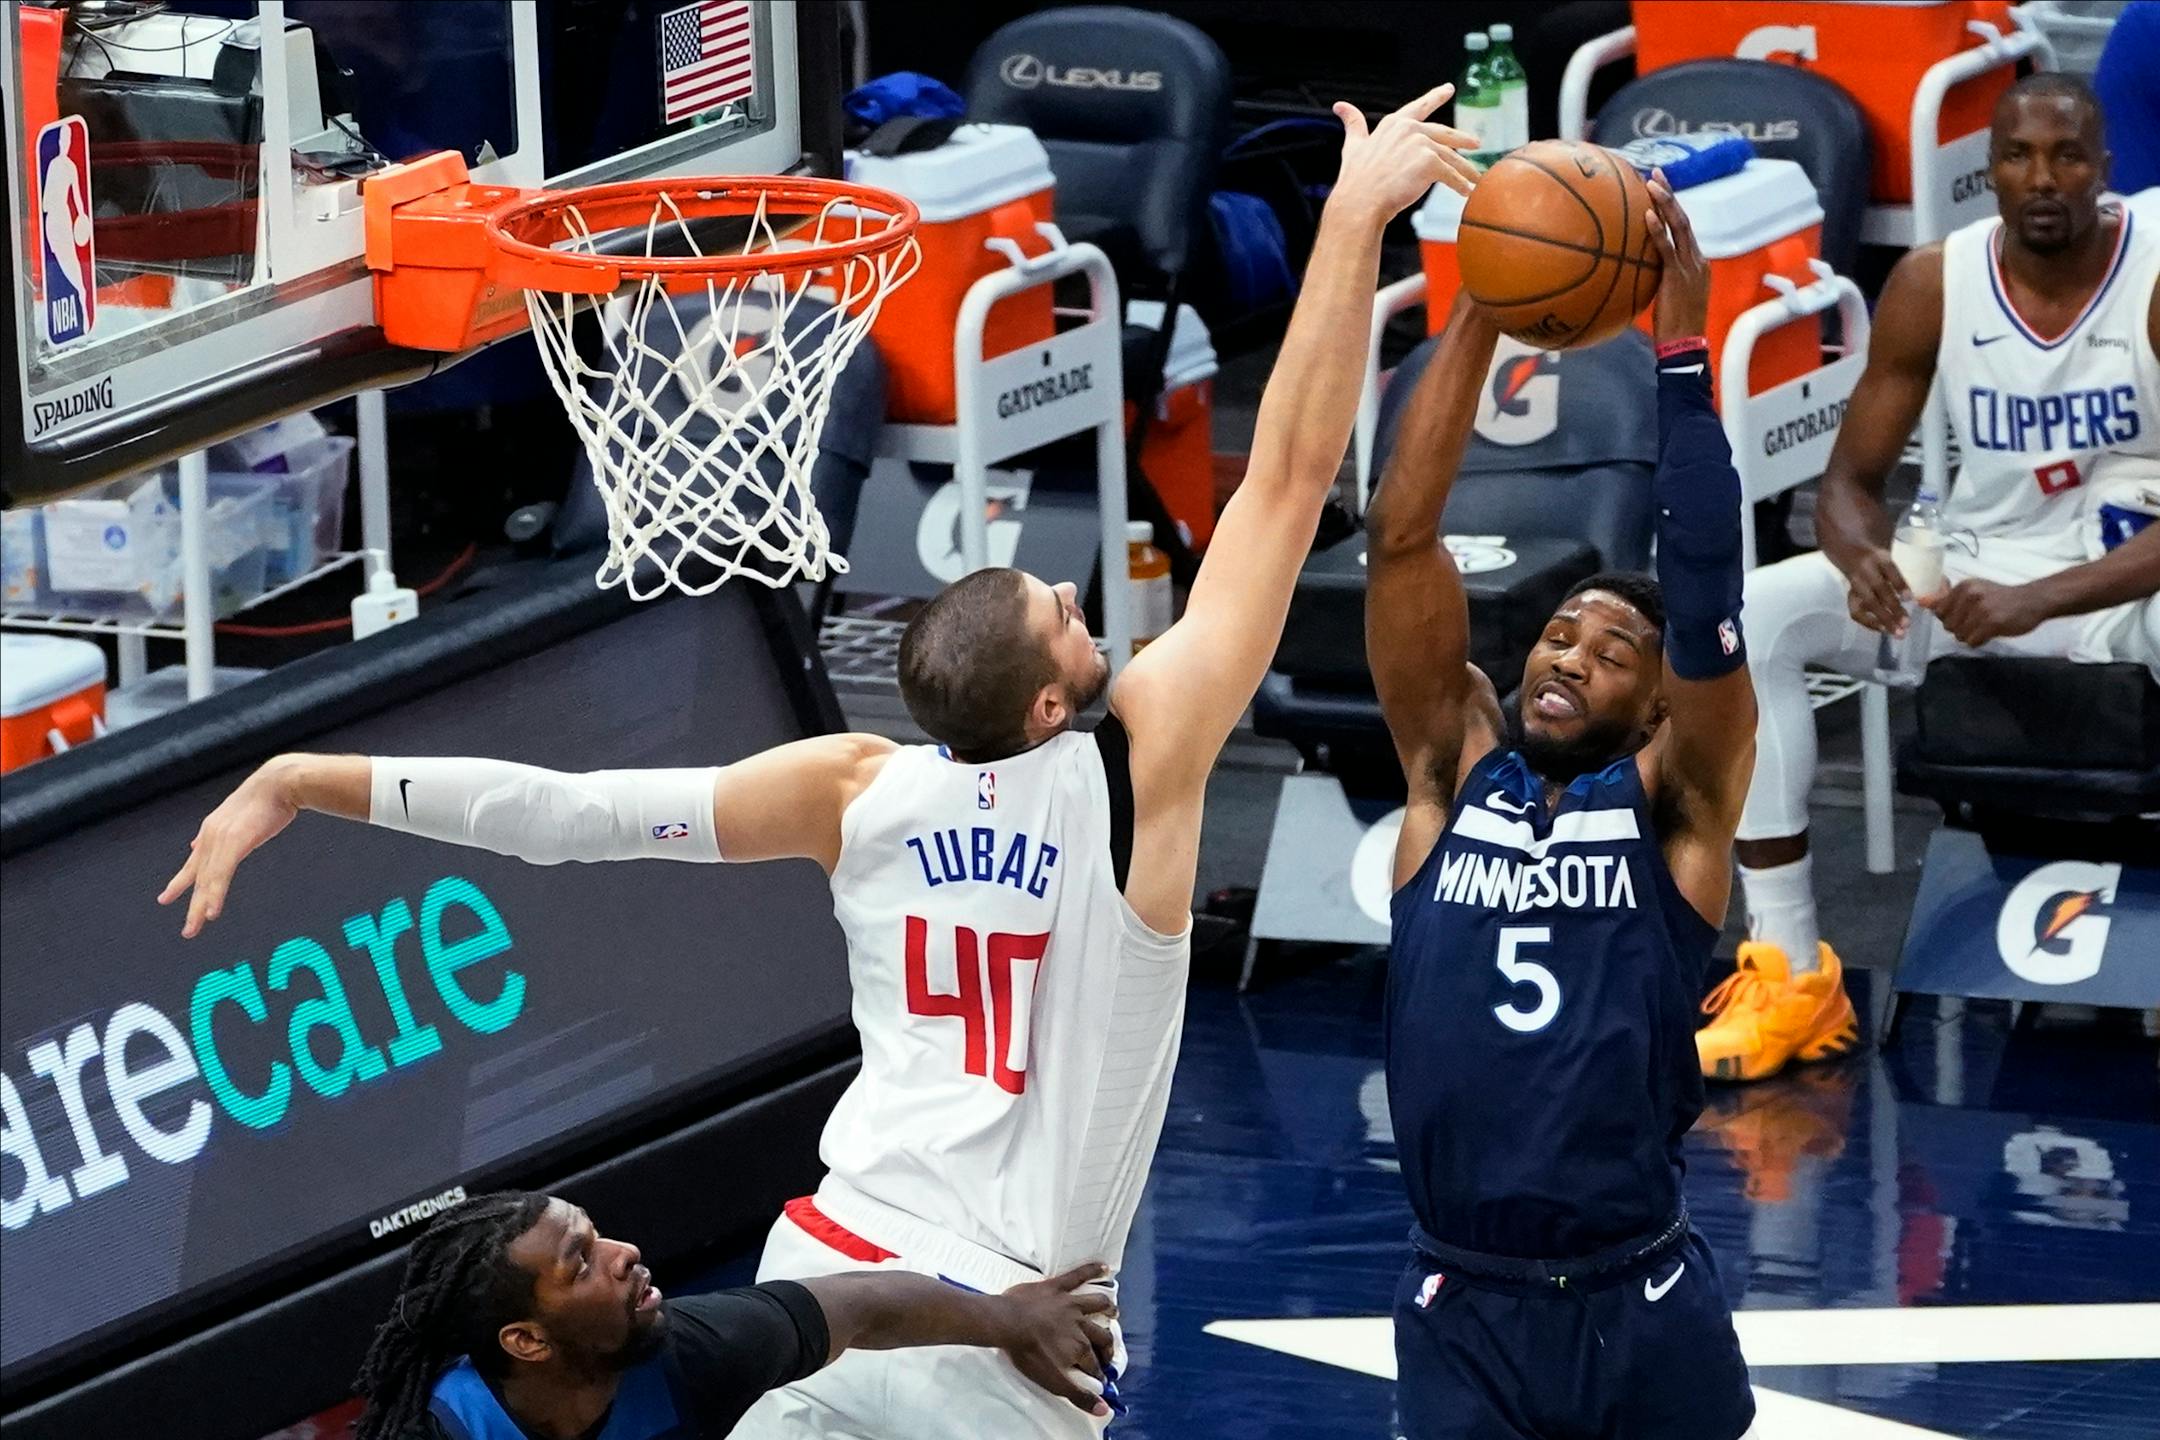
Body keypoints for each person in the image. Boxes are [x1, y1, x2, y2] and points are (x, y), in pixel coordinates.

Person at [160, 85, 1481, 1439]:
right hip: (1008, 1319)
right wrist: (1353, 219)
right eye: (1067, 615)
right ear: (1046, 707)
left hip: (834, 1266)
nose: (1083, 606)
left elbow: (566, 815)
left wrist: (309, 777)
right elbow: (1288, 477)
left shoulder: (857, 786)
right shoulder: (1137, 769)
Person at [1366, 172, 1757, 1440]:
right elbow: (1401, 539)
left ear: (1659, 703)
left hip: (1635, 1295)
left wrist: (1683, 357)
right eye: (1557, 633)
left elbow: (1705, 592)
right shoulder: (1448, 772)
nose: (1569, 655)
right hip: (1462, 1301)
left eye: (1611, 650)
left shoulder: (1675, 808)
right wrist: (1482, 309)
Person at [1706, 71, 2160, 1083]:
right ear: (1987, 170)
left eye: (2068, 156)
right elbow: (1847, 485)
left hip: (2127, 592)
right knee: (1759, 614)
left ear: (2105, 169)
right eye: (2019, 156)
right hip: (1975, 584)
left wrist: (2041, 599)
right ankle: (1789, 973)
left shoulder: (2154, 273)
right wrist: (1862, 557)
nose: (2043, 178)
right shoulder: (1932, 282)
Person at [350, 1191, 1118, 1440]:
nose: (624, 1253)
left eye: (598, 1233)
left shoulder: (687, 1356)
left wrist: (1010, 1319)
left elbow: (862, 1306)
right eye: (580, 1262)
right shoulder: (437, 1432)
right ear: (526, 1340)